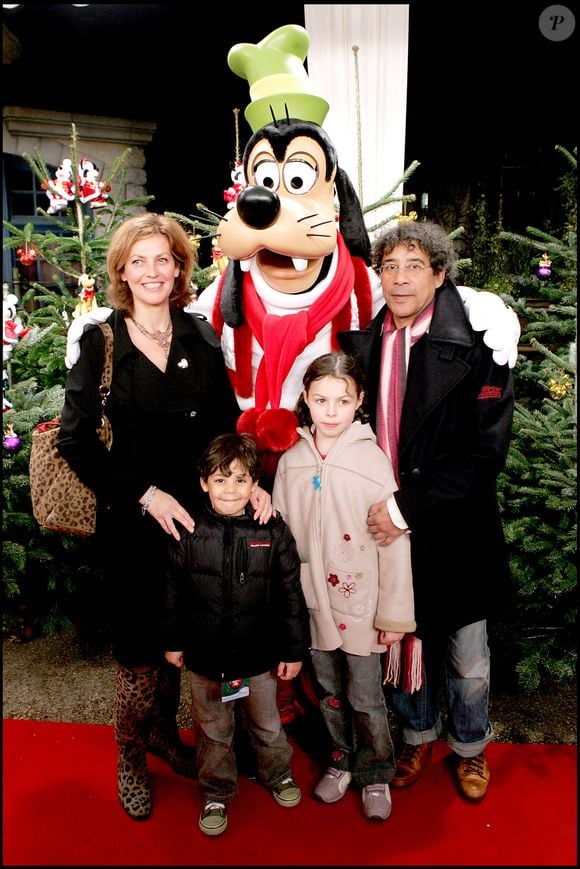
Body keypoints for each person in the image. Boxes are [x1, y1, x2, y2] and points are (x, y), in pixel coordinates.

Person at [56, 213, 272, 821]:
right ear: (122, 270)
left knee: (183, 636)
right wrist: (144, 494)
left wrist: (245, 483)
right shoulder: (101, 342)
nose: (152, 271)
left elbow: (226, 428)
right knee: (138, 648)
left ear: (179, 267)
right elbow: (74, 439)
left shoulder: (201, 337)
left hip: (197, 524)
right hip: (132, 521)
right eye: (139, 261)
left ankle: (162, 736)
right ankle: (129, 755)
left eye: (164, 259)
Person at [338, 220, 515, 802]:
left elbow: (484, 452)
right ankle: (416, 737)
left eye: (415, 266)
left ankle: (469, 748)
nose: (400, 278)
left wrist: (406, 507)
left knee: (468, 656)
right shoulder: (364, 345)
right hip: (387, 532)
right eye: (390, 266)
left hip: (453, 526)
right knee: (401, 637)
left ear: (440, 277)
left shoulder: (477, 346)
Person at [272, 352, 415, 822]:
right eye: (320, 400)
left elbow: (393, 544)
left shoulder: (372, 461)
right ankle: (340, 761)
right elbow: (279, 539)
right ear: (306, 402)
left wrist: (394, 615)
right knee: (328, 692)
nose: (331, 411)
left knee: (367, 698)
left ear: (359, 402)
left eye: (342, 400)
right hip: (313, 606)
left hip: (362, 608)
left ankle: (375, 771)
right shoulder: (290, 461)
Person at [162, 433, 310, 837]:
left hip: (259, 657)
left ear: (254, 484)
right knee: (212, 731)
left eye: (241, 480)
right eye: (221, 480)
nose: (231, 490)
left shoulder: (272, 528)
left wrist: (294, 649)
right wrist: (173, 642)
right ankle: (215, 792)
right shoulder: (187, 530)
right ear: (204, 482)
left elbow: (291, 593)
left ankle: (278, 774)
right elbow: (172, 593)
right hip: (205, 658)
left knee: (267, 724)